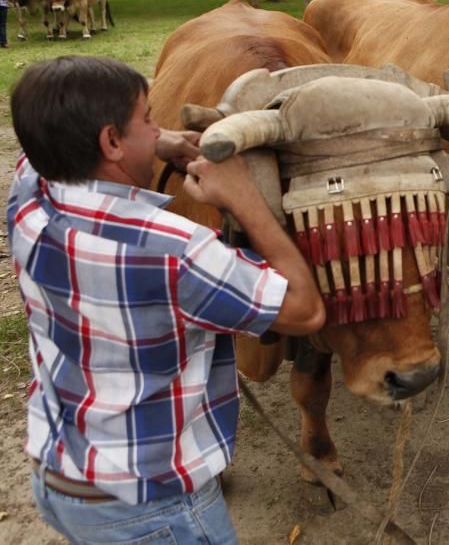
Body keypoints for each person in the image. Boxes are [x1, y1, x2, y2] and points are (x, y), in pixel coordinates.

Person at [9, 56, 325, 542]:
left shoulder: (31, 195)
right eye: (149, 119)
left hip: (59, 475)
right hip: (153, 509)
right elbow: (305, 311)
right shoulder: (177, 250)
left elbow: (31, 157)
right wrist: (245, 199)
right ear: (111, 142)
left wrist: (167, 140)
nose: (159, 129)